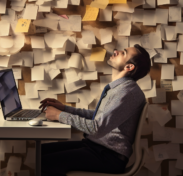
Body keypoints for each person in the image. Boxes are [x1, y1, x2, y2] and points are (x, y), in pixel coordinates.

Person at [39, 44, 151, 176]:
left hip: (108, 156)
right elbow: (98, 117)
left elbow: (96, 128)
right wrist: (65, 109)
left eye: (124, 53)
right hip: (97, 148)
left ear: (129, 67)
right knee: (40, 152)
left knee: (46, 162)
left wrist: (60, 115)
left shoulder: (127, 92)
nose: (116, 51)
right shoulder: (120, 88)